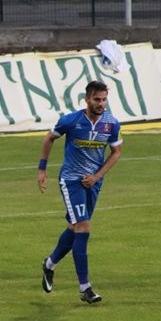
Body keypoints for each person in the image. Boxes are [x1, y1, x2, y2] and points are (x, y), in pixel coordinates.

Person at [37, 81, 123, 304]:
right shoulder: (71, 120)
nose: (101, 104)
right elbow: (49, 138)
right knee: (83, 227)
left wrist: (97, 176)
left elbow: (116, 152)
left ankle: (49, 264)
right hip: (71, 181)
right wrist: (42, 169)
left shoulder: (111, 124)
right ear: (87, 99)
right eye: (97, 99)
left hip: (93, 184)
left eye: (104, 99)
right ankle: (85, 287)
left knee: (74, 228)